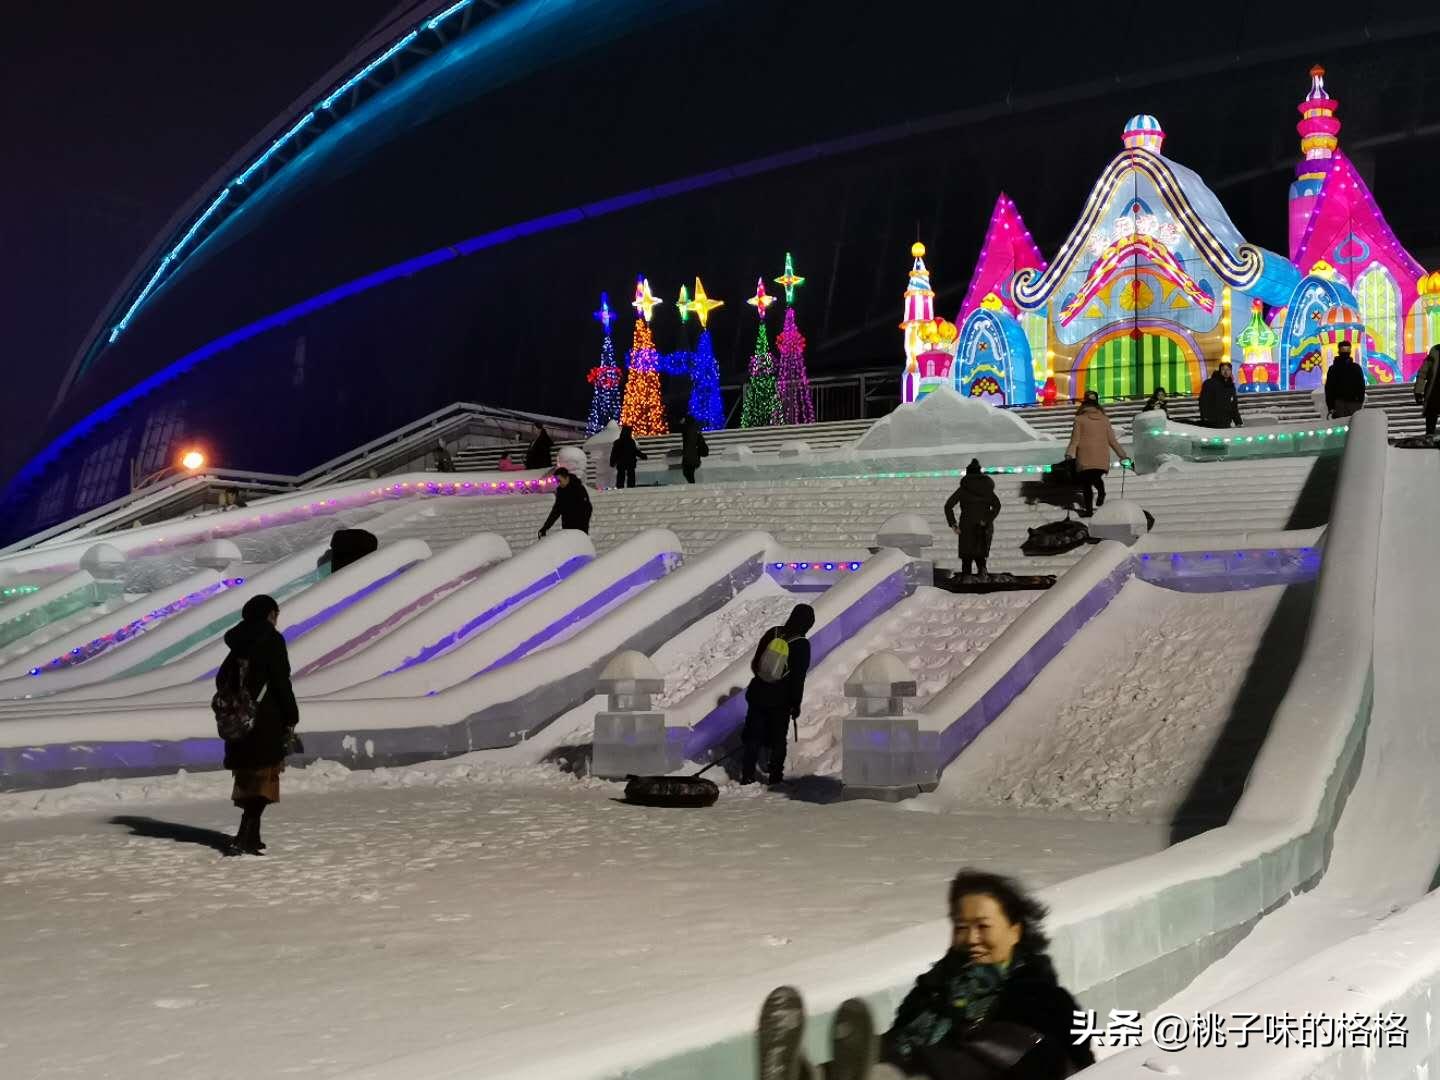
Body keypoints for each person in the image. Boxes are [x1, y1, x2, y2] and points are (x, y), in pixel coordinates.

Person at [754, 870, 1094, 1080]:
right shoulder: (932, 990)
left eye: (983, 926)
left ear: (1015, 931)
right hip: (907, 1069)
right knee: (882, 1054)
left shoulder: (1042, 997)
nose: (971, 938)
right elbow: (898, 1042)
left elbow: (1081, 1068)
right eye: (961, 927)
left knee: (995, 1051)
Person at [219, 595, 300, 856]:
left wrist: (240, 700)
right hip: (265, 719)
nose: (277, 619)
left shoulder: (238, 640)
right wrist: (291, 714)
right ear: (269, 614)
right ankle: (245, 836)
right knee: (264, 779)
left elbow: (221, 678)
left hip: (240, 720)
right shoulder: (271, 639)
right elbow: (281, 680)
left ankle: (252, 836)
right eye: (276, 613)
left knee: (248, 778)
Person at [741, 603, 815, 786]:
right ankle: (775, 778)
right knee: (778, 740)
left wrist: (765, 679)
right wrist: (795, 704)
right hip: (780, 700)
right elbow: (798, 678)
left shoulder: (774, 633)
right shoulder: (801, 644)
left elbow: (756, 663)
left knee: (753, 736)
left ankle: (747, 775)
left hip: (758, 693)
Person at [1065, 391, 1127, 518]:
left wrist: (1069, 454)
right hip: (1101, 457)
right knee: (1095, 476)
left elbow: (1075, 440)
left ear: (1084, 403)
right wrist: (1123, 456)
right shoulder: (1105, 419)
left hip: (1085, 457)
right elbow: (1112, 441)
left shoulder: (1079, 419)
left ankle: (1089, 511)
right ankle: (1101, 492)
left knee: (1086, 483)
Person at [944, 459, 1001, 579]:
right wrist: (987, 519)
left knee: (967, 556)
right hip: (983, 526)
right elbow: (997, 506)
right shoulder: (987, 489)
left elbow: (948, 506)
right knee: (981, 555)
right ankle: (983, 575)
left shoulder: (963, 489)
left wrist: (953, 524)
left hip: (966, 525)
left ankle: (967, 578)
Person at [538, 467, 592, 537]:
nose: (558, 483)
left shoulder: (578, 488)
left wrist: (583, 528)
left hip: (580, 529)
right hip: (567, 528)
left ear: (566, 478)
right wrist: (545, 527)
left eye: (559, 480)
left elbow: (588, 508)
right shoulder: (560, 491)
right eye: (557, 481)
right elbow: (556, 511)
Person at [1324, 341, 1366, 419]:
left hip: (1343, 403)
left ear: (1338, 351)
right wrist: (1360, 401)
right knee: (1352, 424)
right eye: (1344, 349)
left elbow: (1329, 389)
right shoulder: (1356, 368)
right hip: (1347, 403)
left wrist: (1330, 406)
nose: (1345, 352)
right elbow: (1361, 386)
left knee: (1343, 424)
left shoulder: (1333, 369)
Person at [1198, 362, 1242, 428]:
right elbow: (1203, 401)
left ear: (1231, 371)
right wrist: (1204, 417)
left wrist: (1238, 422)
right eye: (1223, 369)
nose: (1226, 372)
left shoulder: (1231, 386)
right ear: (1220, 371)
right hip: (1212, 422)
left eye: (1228, 369)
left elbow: (1233, 406)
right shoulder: (1210, 383)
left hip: (1226, 422)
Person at [609, 424, 647, 489]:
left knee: (620, 476)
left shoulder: (618, 442)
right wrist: (643, 456)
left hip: (621, 462)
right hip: (630, 462)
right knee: (631, 476)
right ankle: (631, 488)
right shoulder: (631, 442)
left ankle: (620, 488)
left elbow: (614, 453)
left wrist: (612, 462)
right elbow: (635, 451)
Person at [1415, 344, 1440, 436]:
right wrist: (1418, 391)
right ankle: (1430, 435)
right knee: (1431, 414)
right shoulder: (1435, 353)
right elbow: (1422, 374)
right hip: (1434, 391)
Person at [680, 415, 709, 484]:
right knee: (689, 472)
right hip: (693, 455)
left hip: (690, 455)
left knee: (687, 472)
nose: (681, 421)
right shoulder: (694, 428)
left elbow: (691, 442)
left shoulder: (689, 429)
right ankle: (692, 484)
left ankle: (692, 485)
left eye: (683, 419)